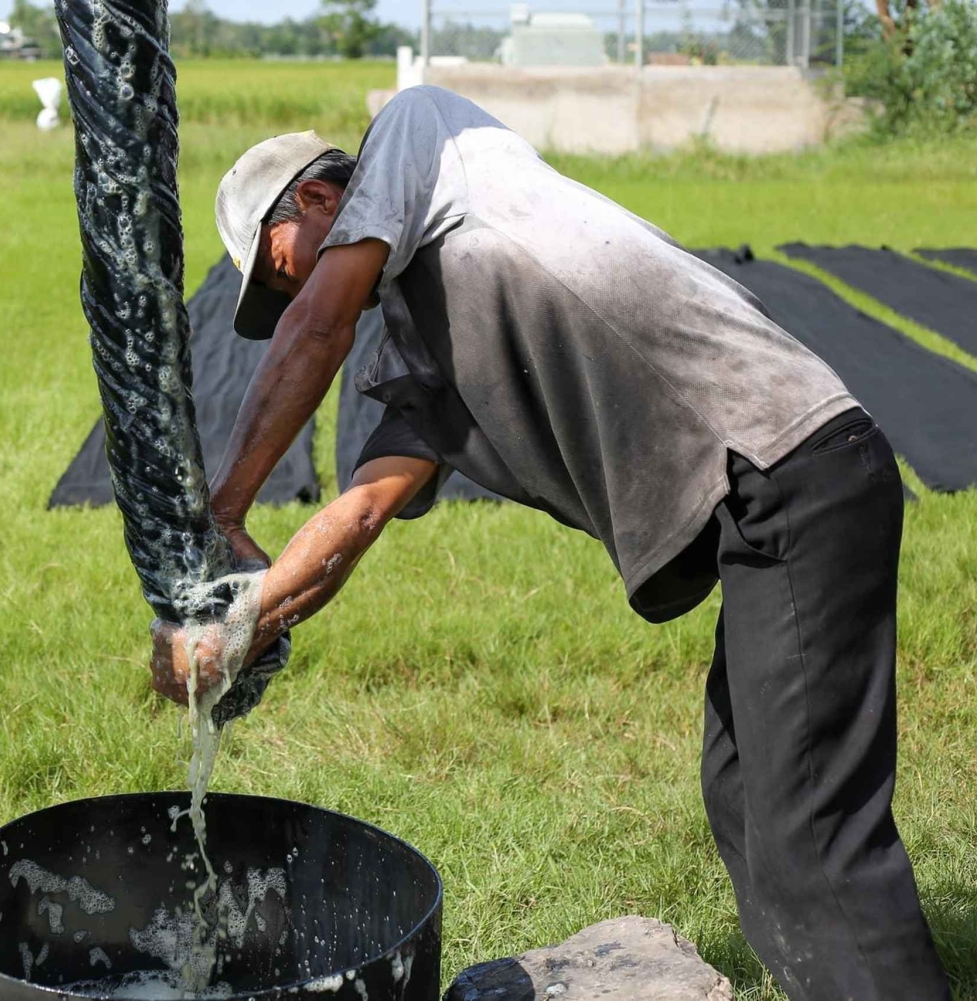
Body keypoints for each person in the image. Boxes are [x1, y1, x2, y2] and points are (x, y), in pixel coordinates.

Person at [148, 86, 950, 1000]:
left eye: (277, 267)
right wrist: (239, 624)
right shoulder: (421, 347)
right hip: (763, 501)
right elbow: (359, 515)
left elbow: (318, 326)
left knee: (809, 825)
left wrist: (221, 514)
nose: (290, 290)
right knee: (744, 789)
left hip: (794, 461)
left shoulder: (420, 137)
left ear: (319, 197)